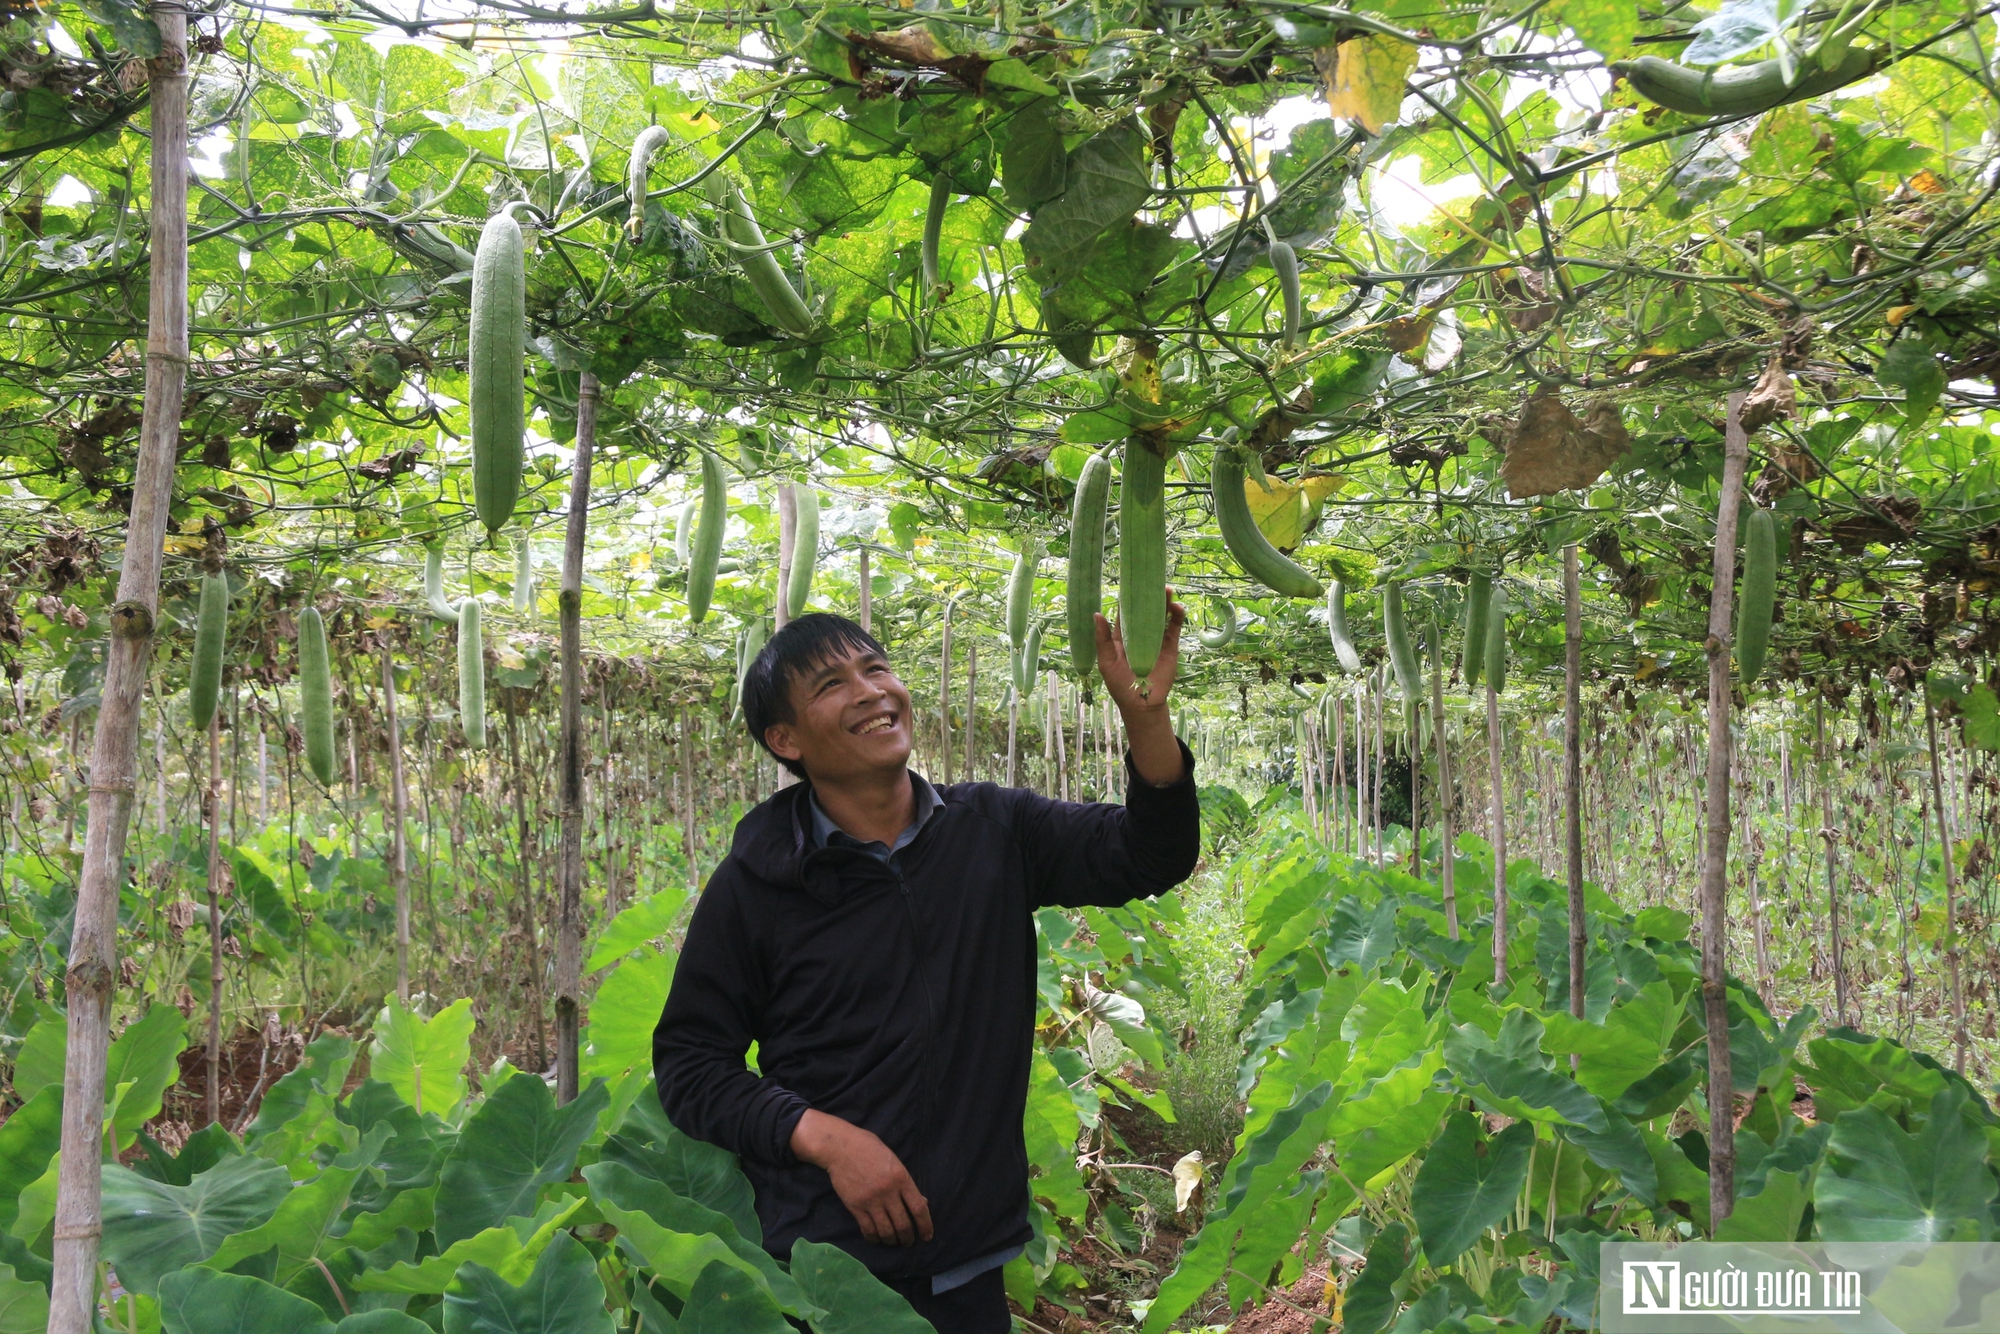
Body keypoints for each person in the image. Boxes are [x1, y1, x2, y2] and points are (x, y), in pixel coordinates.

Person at [653, 598, 1201, 1334]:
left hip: (966, 1253)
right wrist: (826, 1138)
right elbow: (690, 1065)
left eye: (876, 668)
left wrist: (1146, 719)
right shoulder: (757, 883)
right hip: (824, 1268)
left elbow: (1149, 854)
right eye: (832, 685)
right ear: (785, 739)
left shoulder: (995, 831)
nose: (872, 690)